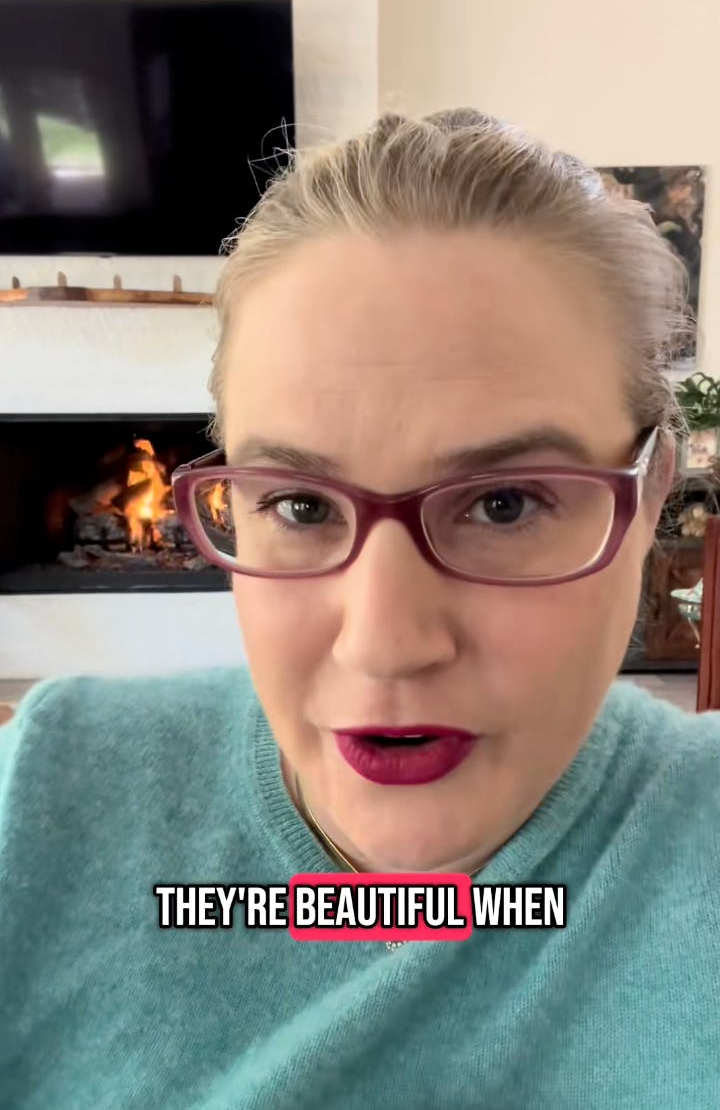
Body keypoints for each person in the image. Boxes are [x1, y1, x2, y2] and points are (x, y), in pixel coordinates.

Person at [1, 109, 719, 1109]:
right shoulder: (47, 793)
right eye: (299, 506)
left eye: (504, 505)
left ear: (646, 503)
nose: (385, 645)